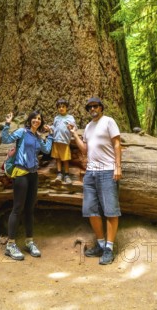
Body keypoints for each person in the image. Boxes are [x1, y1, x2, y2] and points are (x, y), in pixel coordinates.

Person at [69, 97, 121, 265]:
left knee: (110, 210)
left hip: (107, 171)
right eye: (90, 107)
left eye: (95, 106)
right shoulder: (89, 127)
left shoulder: (108, 121)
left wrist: (118, 167)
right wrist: (74, 134)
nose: (92, 109)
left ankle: (109, 249)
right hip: (90, 172)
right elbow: (84, 150)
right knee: (90, 210)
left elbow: (117, 144)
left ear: (101, 107)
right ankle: (100, 244)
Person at [1, 110, 53, 261]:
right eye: (34, 118)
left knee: (30, 209)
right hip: (21, 173)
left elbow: (47, 149)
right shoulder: (22, 132)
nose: (36, 121)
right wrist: (7, 123)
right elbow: (5, 139)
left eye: (39, 119)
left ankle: (29, 241)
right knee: (18, 208)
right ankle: (10, 245)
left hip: (33, 175)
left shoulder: (38, 137)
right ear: (29, 120)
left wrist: (50, 135)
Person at [50, 98, 76, 184]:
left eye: (63, 106)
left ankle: (67, 175)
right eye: (59, 107)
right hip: (56, 141)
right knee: (58, 158)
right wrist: (49, 128)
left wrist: (71, 127)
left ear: (66, 108)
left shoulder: (70, 118)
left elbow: (74, 127)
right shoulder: (56, 118)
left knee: (65, 159)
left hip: (64, 141)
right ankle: (59, 174)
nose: (61, 108)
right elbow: (54, 127)